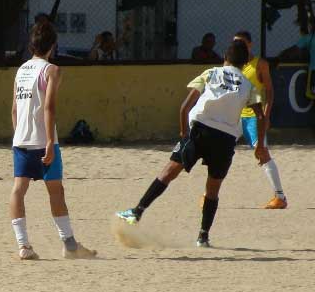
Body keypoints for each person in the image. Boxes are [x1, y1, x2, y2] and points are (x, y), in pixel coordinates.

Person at [116, 40, 268, 247]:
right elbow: (261, 117)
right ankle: (203, 237)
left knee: (169, 172)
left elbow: (185, 107)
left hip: (200, 131)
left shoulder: (211, 73)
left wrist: (183, 133)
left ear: (225, 58)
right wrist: (259, 145)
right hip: (225, 140)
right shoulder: (249, 85)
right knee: (213, 188)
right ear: (245, 64)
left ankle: (137, 212)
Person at [10, 21, 97, 260]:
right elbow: (49, 107)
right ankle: (69, 246)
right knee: (56, 191)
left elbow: (14, 110)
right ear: (53, 46)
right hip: (43, 139)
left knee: (19, 190)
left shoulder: (21, 70)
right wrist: (49, 141)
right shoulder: (52, 70)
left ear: (31, 46)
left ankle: (23, 246)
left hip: (21, 140)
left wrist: (20, 135)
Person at [233, 30, 288, 209]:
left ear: (250, 44)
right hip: (233, 117)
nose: (238, 46)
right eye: (236, 43)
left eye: (241, 43)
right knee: (218, 152)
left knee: (262, 153)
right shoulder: (233, 63)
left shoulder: (260, 64)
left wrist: (266, 114)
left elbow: (270, 91)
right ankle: (208, 195)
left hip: (252, 118)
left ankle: (280, 196)